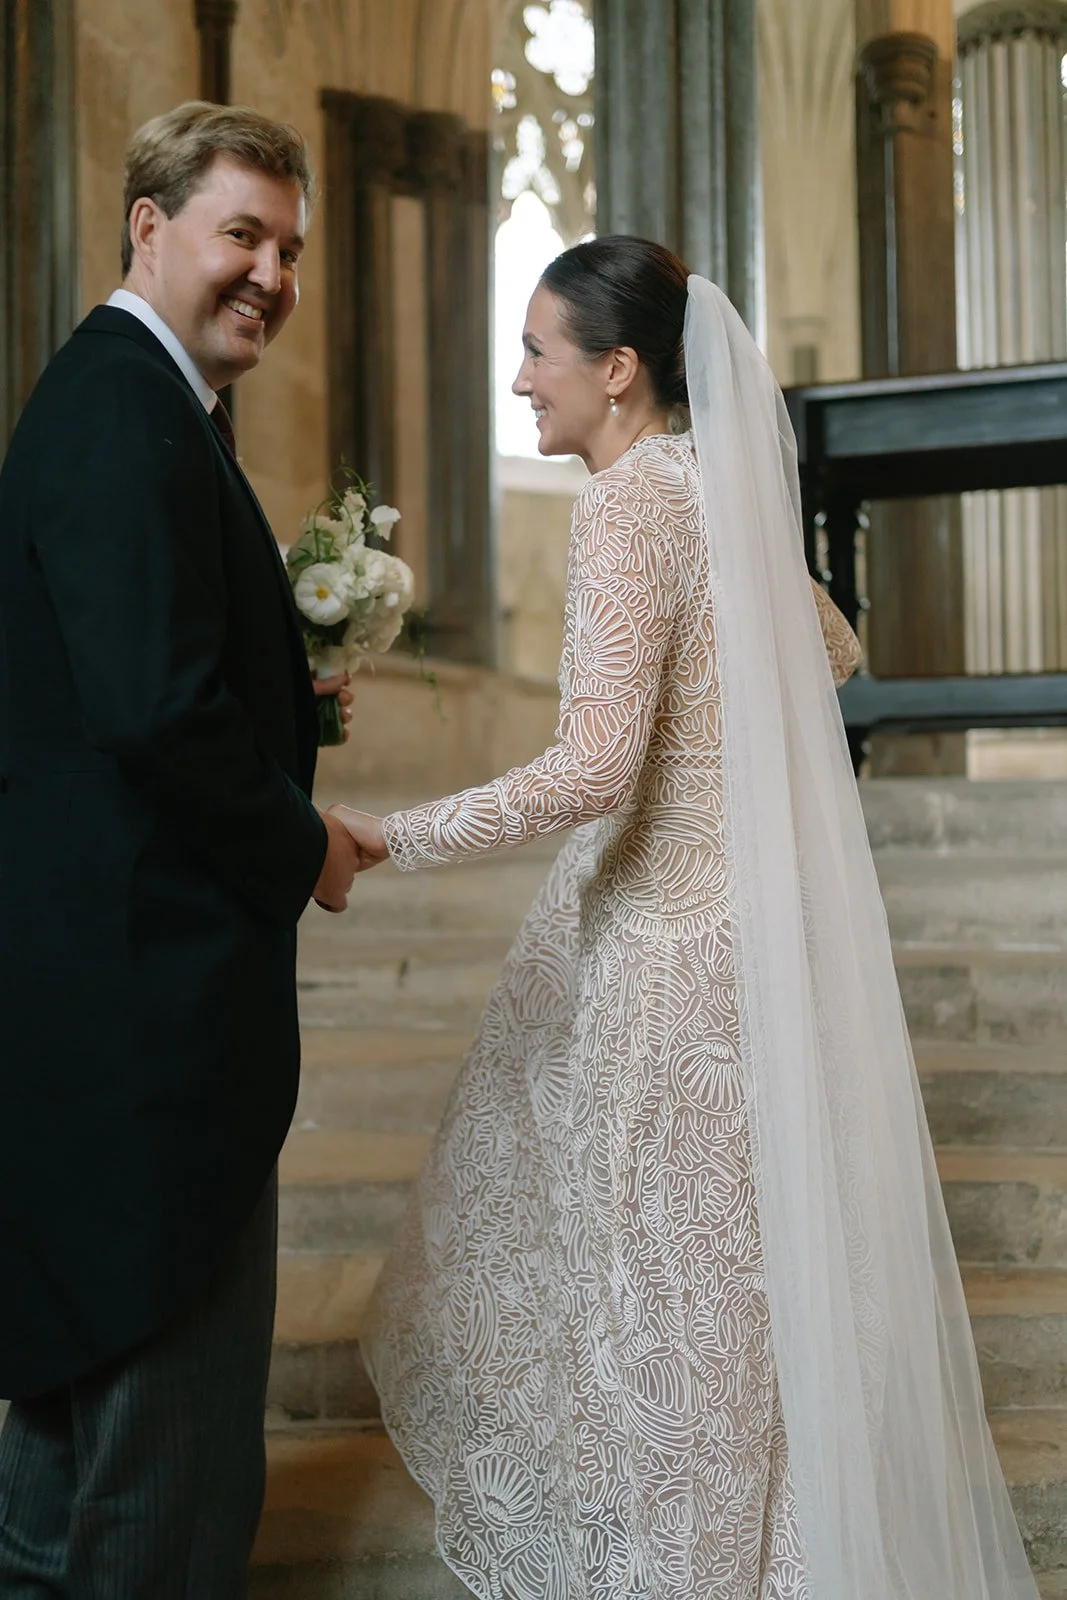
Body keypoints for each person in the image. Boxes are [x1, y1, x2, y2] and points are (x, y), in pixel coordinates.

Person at [334, 239, 1039, 1599]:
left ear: (617, 369)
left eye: (537, 351)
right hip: (753, 951)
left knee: (666, 1307)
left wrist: (397, 834)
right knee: (740, 1301)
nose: (519, 378)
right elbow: (833, 649)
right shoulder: (716, 485)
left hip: (665, 963)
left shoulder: (622, 508)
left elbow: (597, 768)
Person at [0, 101, 358, 1597]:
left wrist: (285, 693)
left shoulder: (132, 397)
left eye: (290, 249)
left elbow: (120, 679)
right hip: (144, 1019)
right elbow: (155, 713)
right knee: (162, 1482)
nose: (272, 274)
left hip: (106, 998)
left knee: (66, 1485)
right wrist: (305, 843)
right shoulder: (123, 410)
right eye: (242, 236)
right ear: (149, 226)